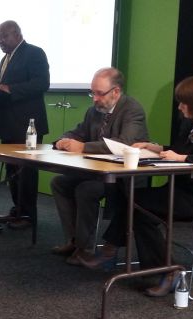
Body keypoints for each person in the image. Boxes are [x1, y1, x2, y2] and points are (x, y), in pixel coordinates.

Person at [79, 73, 193, 296]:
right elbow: (181, 148)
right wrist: (156, 148)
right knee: (134, 201)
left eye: (184, 102)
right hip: (178, 189)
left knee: (137, 204)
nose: (179, 107)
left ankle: (136, 261)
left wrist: (180, 158)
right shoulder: (191, 123)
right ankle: (160, 269)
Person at [50, 67, 149, 265]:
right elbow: (78, 132)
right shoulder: (94, 111)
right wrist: (63, 140)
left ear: (116, 92)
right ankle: (75, 241)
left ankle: (85, 249)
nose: (94, 98)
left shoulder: (132, 110)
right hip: (98, 172)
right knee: (59, 183)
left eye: (99, 93)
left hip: (124, 177)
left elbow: (123, 143)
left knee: (86, 190)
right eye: (92, 92)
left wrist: (83, 147)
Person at [0, 20, 50, 229]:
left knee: (26, 172)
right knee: (12, 172)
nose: (0, 42)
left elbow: (42, 83)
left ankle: (28, 216)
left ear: (16, 34)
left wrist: (10, 89)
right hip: (8, 124)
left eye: (4, 37)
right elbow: (1, 84)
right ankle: (17, 210)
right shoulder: (5, 58)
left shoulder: (34, 53)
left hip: (28, 126)